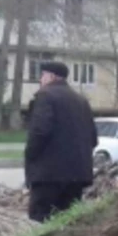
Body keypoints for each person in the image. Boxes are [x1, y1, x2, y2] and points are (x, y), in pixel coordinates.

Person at [25, 61, 98, 223]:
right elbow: (93, 138)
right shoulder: (81, 101)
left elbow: (39, 131)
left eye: (42, 75)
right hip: (77, 175)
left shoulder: (45, 96)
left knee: (40, 221)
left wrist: (30, 155)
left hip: (48, 175)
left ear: (51, 76)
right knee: (68, 223)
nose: (40, 79)